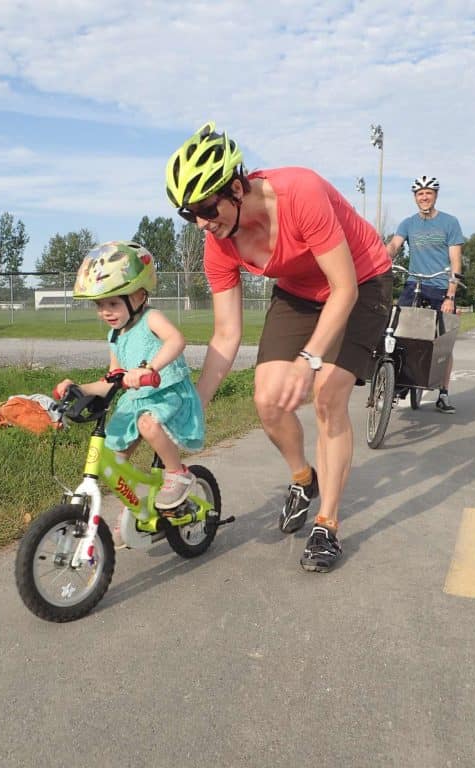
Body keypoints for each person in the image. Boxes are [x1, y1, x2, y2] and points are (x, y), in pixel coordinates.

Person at [165, 122, 393, 573]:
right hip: (299, 292)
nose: (201, 224)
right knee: (267, 399)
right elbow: (226, 334)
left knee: (327, 394)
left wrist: (310, 361)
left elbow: (343, 288)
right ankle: (303, 479)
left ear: (235, 187)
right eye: (188, 215)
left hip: (360, 281)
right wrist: (197, 402)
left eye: (206, 209)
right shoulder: (219, 246)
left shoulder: (299, 193)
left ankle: (327, 524)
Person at [54, 241, 205, 511]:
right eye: (100, 305)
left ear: (138, 296)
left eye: (113, 303)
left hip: (166, 393)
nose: (105, 312)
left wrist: (150, 368)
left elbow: (176, 340)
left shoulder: (151, 318)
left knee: (148, 424)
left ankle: (177, 473)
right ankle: (138, 511)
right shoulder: (114, 336)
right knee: (113, 461)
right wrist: (78, 388)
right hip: (136, 399)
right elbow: (112, 379)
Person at [386, 175, 465, 413]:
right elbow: (393, 246)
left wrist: (450, 295)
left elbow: (455, 261)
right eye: (420, 193)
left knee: (443, 343)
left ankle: (443, 393)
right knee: (397, 330)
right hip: (414, 283)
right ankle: (395, 383)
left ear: (435, 195)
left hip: (440, 286)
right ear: (415, 198)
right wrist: (379, 259)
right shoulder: (408, 223)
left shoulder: (450, 223)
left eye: (428, 193)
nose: (424, 197)